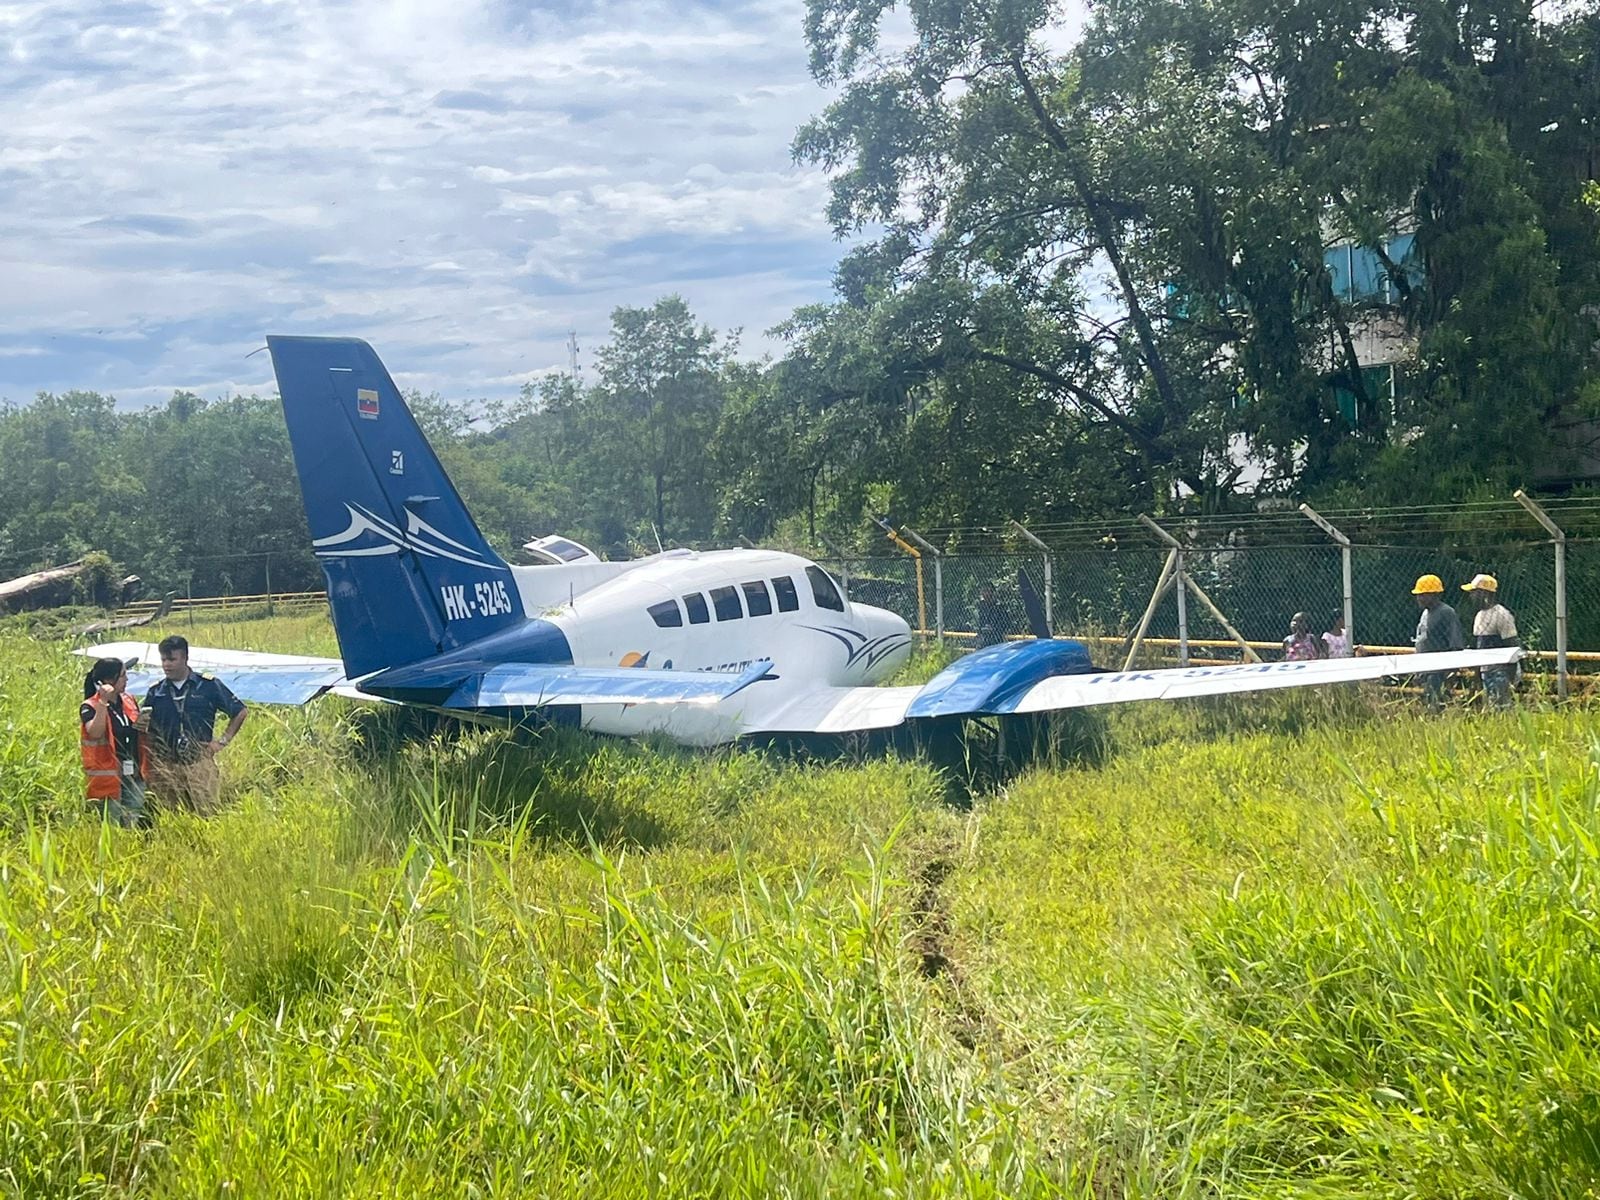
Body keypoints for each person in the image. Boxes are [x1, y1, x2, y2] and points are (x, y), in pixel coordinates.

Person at [142, 634, 247, 815]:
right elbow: (147, 728)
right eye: (164, 660)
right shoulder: (156, 691)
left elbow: (240, 712)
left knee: (207, 814)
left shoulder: (208, 685)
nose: (167, 664)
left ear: (185, 658)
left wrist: (222, 741)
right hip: (167, 765)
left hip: (199, 763)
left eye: (172, 659)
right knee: (172, 816)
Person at [79, 656, 150, 828]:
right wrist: (103, 701)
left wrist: (142, 724)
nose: (126, 679)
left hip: (132, 771)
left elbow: (131, 729)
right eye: (123, 675)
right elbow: (95, 732)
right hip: (109, 776)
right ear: (109, 680)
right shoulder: (90, 706)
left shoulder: (129, 700)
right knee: (111, 825)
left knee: (131, 818)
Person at [1461, 573, 1519, 709]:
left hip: (1501, 671)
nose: (1471, 596)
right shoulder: (1479, 615)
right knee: (1490, 708)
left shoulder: (1502, 615)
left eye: (1474, 592)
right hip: (1485, 671)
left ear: (1484, 593)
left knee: (1502, 708)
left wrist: (1510, 677)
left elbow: (1512, 645)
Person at [1411, 574, 1464, 711]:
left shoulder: (1446, 613)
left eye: (1423, 595)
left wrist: (1451, 672)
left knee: (1436, 704)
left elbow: (1455, 643)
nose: (1419, 598)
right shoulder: (1425, 613)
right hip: (1426, 667)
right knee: (1428, 702)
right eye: (1418, 595)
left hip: (1439, 669)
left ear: (1434, 594)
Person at [974, 584, 1009, 649]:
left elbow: (1006, 623)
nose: (985, 593)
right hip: (984, 636)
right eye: (983, 591)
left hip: (996, 636)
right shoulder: (982, 606)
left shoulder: (998, 606)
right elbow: (980, 622)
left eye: (987, 591)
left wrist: (994, 628)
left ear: (992, 592)